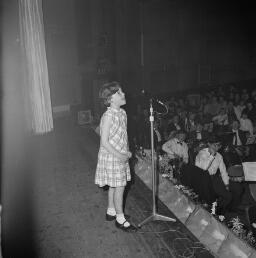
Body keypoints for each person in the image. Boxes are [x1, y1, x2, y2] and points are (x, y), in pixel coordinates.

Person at [95, 81, 137, 232]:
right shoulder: (108, 116)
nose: (123, 94)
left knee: (114, 185)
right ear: (110, 98)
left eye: (122, 91)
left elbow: (122, 136)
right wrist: (120, 155)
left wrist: (127, 151)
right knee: (120, 186)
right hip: (113, 157)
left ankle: (111, 211)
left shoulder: (122, 113)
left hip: (120, 154)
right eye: (119, 93)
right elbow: (104, 141)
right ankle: (120, 219)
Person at [195, 136, 232, 214]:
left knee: (228, 196)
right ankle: (211, 211)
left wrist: (226, 184)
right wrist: (212, 155)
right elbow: (204, 168)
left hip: (213, 178)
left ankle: (217, 212)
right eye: (215, 145)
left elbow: (223, 171)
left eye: (219, 145)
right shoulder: (202, 153)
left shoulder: (219, 156)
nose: (217, 147)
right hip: (201, 178)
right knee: (210, 199)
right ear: (209, 144)